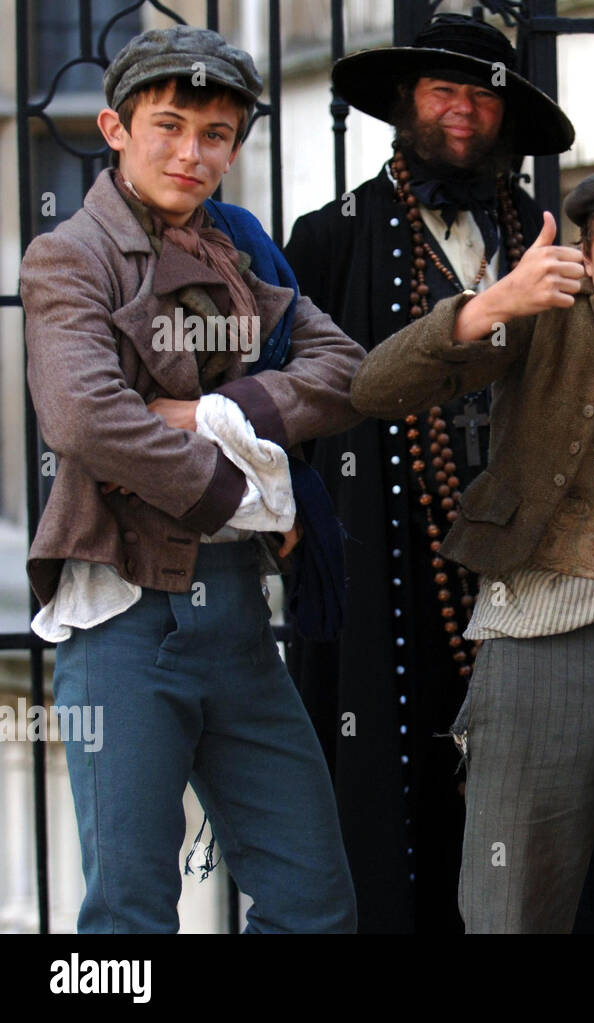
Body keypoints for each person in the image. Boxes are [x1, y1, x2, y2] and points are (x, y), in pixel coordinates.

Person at [20, 25, 365, 932]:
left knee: (313, 900)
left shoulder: (240, 248)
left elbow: (344, 369)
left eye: (215, 133)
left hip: (239, 616)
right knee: (130, 915)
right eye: (169, 125)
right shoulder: (70, 256)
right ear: (115, 127)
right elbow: (87, 419)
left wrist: (225, 409)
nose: (191, 152)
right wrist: (249, 493)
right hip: (126, 616)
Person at [351, 155, 594, 933]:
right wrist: (488, 303)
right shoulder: (540, 307)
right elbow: (374, 387)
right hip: (534, 644)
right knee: (512, 910)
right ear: (585, 252)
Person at [282, 12, 574, 932]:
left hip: (526, 561)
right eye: (443, 89)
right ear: (406, 103)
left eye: (483, 93)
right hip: (385, 563)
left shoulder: (547, 235)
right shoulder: (329, 236)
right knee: (386, 795)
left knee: (523, 806)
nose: (463, 110)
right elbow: (298, 404)